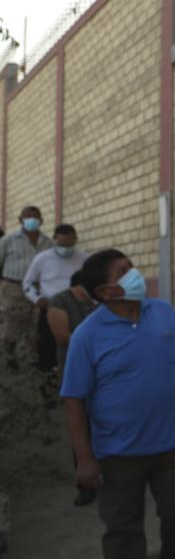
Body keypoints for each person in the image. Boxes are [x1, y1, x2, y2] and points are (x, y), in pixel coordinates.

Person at [60, 249, 175, 559]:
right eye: (123, 271)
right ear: (105, 292)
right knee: (123, 531)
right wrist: (84, 458)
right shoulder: (87, 336)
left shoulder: (163, 313)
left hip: (172, 446)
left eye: (131, 266)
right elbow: (74, 401)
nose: (135, 274)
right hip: (118, 454)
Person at [48, 269, 98, 507]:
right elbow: (62, 336)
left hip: (103, 372)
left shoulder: (99, 301)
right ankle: (86, 485)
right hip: (76, 372)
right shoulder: (60, 301)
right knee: (81, 428)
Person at [23, 223, 88, 375]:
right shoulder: (42, 258)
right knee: (47, 345)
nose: (65, 247)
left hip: (77, 308)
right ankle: (48, 380)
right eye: (61, 244)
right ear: (54, 240)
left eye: (69, 244)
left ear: (75, 239)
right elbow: (27, 283)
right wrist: (37, 299)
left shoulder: (84, 259)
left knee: (75, 342)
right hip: (50, 307)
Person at [0, 206, 52, 370]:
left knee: (36, 323)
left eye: (35, 217)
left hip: (38, 289)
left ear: (41, 220)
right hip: (14, 287)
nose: (32, 220)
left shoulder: (47, 243)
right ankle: (9, 357)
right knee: (13, 322)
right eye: (28, 217)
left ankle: (32, 359)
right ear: (20, 219)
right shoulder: (8, 240)